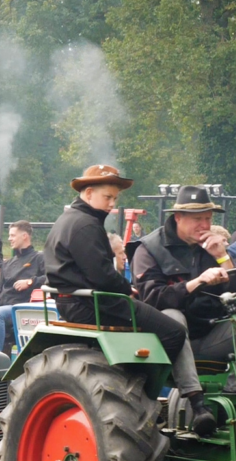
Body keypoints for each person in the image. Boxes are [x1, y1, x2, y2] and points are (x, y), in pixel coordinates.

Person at [46, 165, 206, 434]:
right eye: (107, 197)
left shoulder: (71, 219)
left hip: (78, 300)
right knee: (174, 332)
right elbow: (101, 274)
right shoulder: (85, 224)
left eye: (115, 199)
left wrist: (121, 287)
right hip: (90, 304)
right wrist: (126, 288)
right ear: (88, 193)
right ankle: (144, 395)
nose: (112, 204)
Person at [131, 186, 236, 433]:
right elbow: (152, 300)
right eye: (197, 218)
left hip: (205, 333)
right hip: (164, 343)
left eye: (208, 218)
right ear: (178, 218)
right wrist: (197, 282)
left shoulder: (211, 247)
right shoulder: (149, 249)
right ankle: (198, 404)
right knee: (172, 317)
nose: (204, 224)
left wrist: (222, 257)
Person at [0, 220, 46, 352]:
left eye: (13, 235)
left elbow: (52, 278)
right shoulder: (8, 263)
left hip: (24, 307)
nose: (9, 239)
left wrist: (30, 282)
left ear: (24, 236)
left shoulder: (39, 258)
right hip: (4, 306)